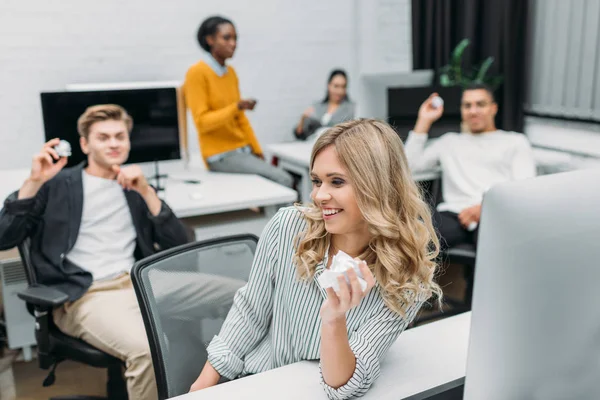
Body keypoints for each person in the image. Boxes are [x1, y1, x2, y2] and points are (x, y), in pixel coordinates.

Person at [189, 119, 442, 399]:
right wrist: (201, 386)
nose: (319, 196)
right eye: (316, 181)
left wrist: (334, 318)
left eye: (336, 181)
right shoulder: (288, 227)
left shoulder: (406, 276)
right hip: (263, 382)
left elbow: (343, 385)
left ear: (378, 186)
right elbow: (250, 311)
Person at [0, 105, 195, 400]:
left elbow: (180, 248)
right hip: (87, 293)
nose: (114, 143)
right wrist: (34, 181)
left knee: (240, 296)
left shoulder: (135, 186)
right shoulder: (56, 185)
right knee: (147, 350)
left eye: (120, 136)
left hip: (141, 283)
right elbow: (5, 236)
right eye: (103, 137)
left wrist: (146, 191)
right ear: (84, 144)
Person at [404, 82, 536, 249]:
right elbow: (409, 169)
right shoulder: (449, 142)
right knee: (411, 239)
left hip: (494, 213)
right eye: (467, 106)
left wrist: (483, 209)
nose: (473, 111)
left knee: (497, 250)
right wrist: (424, 120)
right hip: (453, 214)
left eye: (480, 104)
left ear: (493, 108)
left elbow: (525, 189)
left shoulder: (515, 142)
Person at [184, 15, 294, 188]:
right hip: (220, 155)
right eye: (226, 37)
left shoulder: (230, 73)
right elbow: (202, 122)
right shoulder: (197, 73)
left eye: (235, 38)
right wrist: (236, 107)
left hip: (242, 150)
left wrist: (256, 149)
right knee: (283, 179)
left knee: (278, 178)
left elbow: (240, 118)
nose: (233, 43)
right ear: (210, 40)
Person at [294, 69, 355, 141]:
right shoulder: (317, 106)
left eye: (343, 87)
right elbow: (299, 134)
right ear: (329, 86)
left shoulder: (352, 109)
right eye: (336, 86)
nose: (340, 91)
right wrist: (303, 118)